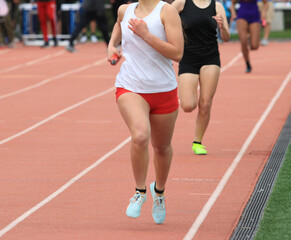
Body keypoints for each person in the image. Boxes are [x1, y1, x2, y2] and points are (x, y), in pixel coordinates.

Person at [107, 0, 183, 224]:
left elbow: (177, 53)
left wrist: (146, 34)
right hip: (131, 86)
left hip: (163, 89)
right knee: (140, 136)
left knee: (161, 147)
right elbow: (119, 25)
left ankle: (158, 193)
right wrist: (112, 45)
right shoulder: (125, 9)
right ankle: (140, 191)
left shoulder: (166, 12)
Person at [172, 0, 230, 155]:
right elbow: (162, 20)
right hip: (188, 57)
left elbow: (226, 37)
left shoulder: (217, 6)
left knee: (205, 103)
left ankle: (197, 142)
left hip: (210, 57)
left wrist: (222, 26)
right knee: (188, 105)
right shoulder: (181, 3)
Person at [230, 0, 268, 73]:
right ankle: (247, 64)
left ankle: (250, 36)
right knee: (243, 41)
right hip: (242, 15)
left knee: (254, 46)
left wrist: (264, 12)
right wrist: (233, 12)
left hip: (254, 15)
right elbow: (232, 4)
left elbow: (266, 3)